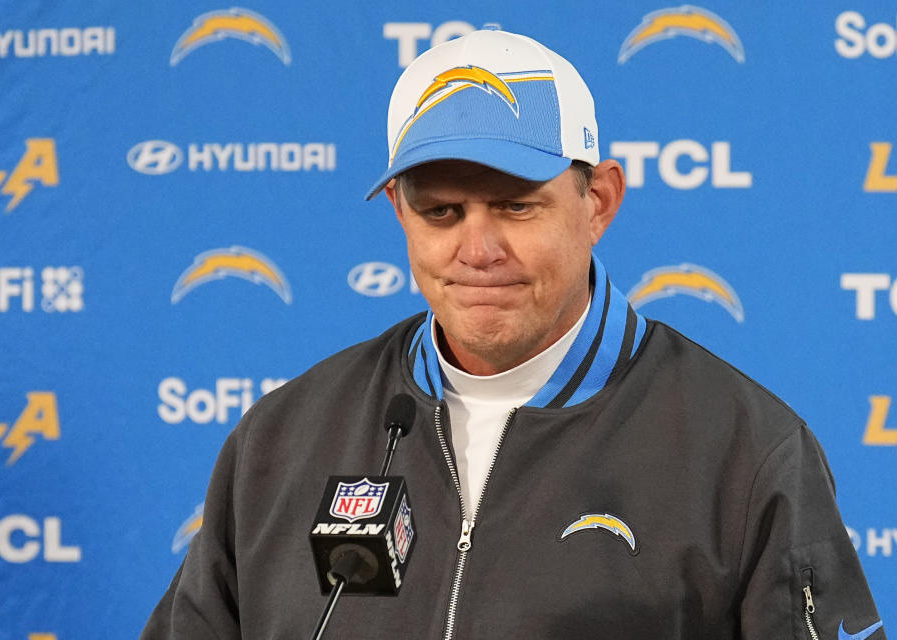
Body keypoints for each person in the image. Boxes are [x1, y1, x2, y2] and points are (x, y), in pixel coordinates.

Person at [142, 28, 885, 639]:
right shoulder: (282, 438)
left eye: (515, 206)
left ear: (598, 201)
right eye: (442, 212)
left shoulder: (746, 450)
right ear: (400, 212)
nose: (478, 248)